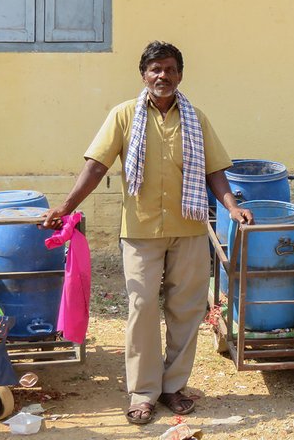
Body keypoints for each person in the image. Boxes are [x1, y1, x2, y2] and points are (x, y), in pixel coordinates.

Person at [42, 41, 253, 425]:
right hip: (140, 232)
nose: (163, 76)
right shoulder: (124, 116)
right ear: (144, 75)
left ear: (180, 75)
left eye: (170, 69)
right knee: (141, 308)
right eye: (155, 69)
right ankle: (142, 393)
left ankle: (173, 387)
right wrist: (66, 206)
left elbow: (214, 170)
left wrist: (232, 207)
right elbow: (96, 166)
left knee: (186, 309)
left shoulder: (195, 118)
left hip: (189, 228)